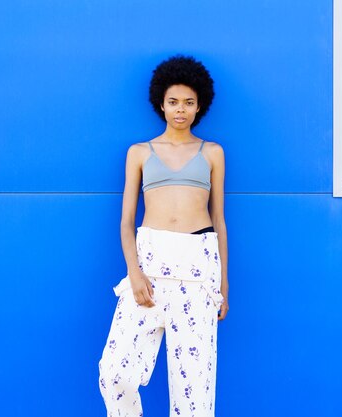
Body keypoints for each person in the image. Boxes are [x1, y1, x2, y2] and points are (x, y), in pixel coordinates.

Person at [98, 55, 229, 417]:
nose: (180, 110)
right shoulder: (139, 153)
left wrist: (223, 285)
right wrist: (135, 273)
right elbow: (127, 222)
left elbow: (219, 219)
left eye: (188, 102)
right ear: (161, 102)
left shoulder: (213, 153)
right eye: (173, 102)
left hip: (198, 271)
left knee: (194, 389)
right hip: (150, 269)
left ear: (200, 104)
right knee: (114, 372)